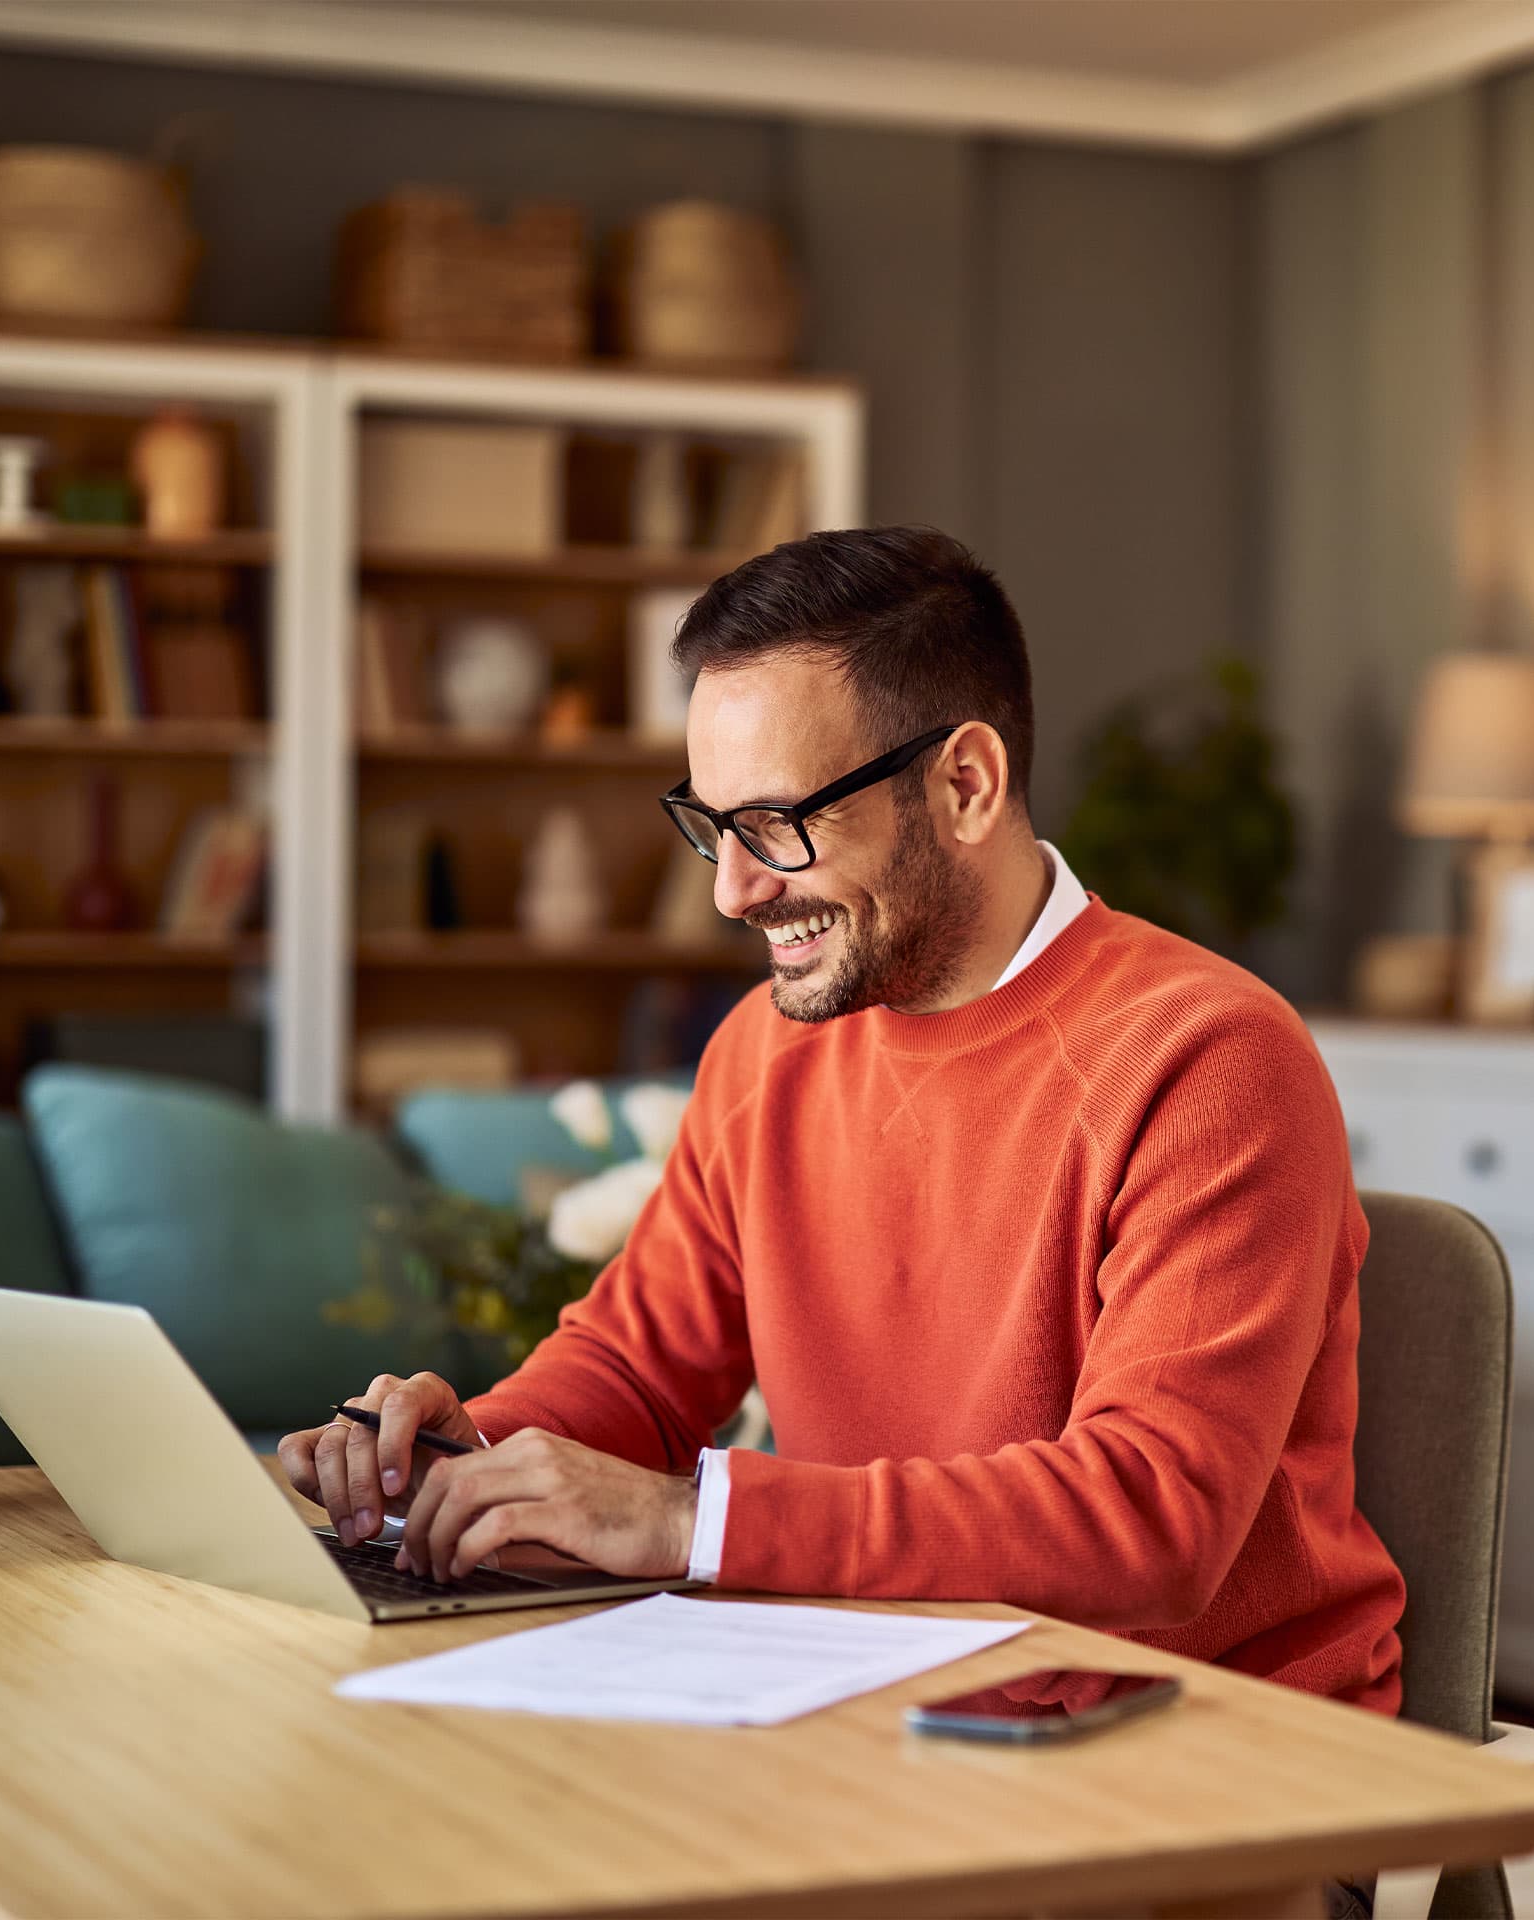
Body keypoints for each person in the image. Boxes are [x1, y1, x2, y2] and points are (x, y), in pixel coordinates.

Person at [282, 525, 1406, 1718]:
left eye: (777, 824)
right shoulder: (767, 1050)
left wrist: (687, 1519)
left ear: (964, 784)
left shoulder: (1209, 1062)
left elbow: (1150, 1519)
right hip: (858, 1696)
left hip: (1202, 1762)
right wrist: (468, 1454)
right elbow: (636, 1370)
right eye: (712, 826)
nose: (731, 889)